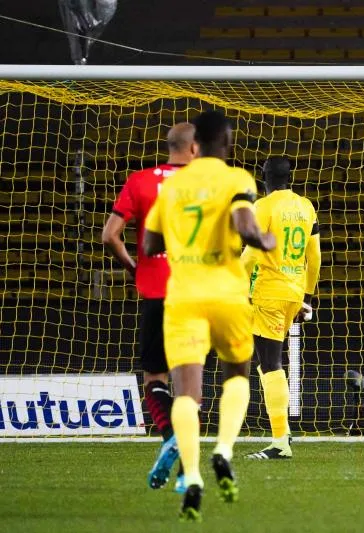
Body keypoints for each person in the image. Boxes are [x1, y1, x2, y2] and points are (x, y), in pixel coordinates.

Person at [143, 110, 276, 522]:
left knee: (186, 394)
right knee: (237, 374)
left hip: (182, 298)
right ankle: (223, 450)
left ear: (195, 145)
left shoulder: (173, 185)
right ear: (228, 143)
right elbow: (243, 222)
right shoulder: (237, 179)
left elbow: (149, 244)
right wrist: (262, 238)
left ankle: (194, 476)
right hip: (227, 295)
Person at [101, 121, 196, 492]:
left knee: (154, 379)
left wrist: (133, 266)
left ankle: (170, 434)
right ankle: (188, 471)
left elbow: (109, 235)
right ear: (194, 150)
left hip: (158, 293)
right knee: (189, 386)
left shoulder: (139, 181)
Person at [240, 156, 321, 460]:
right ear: (291, 177)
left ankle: (279, 442)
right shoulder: (305, 206)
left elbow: (250, 254)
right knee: (269, 363)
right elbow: (314, 257)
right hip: (293, 292)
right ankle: (283, 432)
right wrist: (308, 298)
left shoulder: (263, 207)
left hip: (268, 294)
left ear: (263, 177)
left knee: (270, 364)